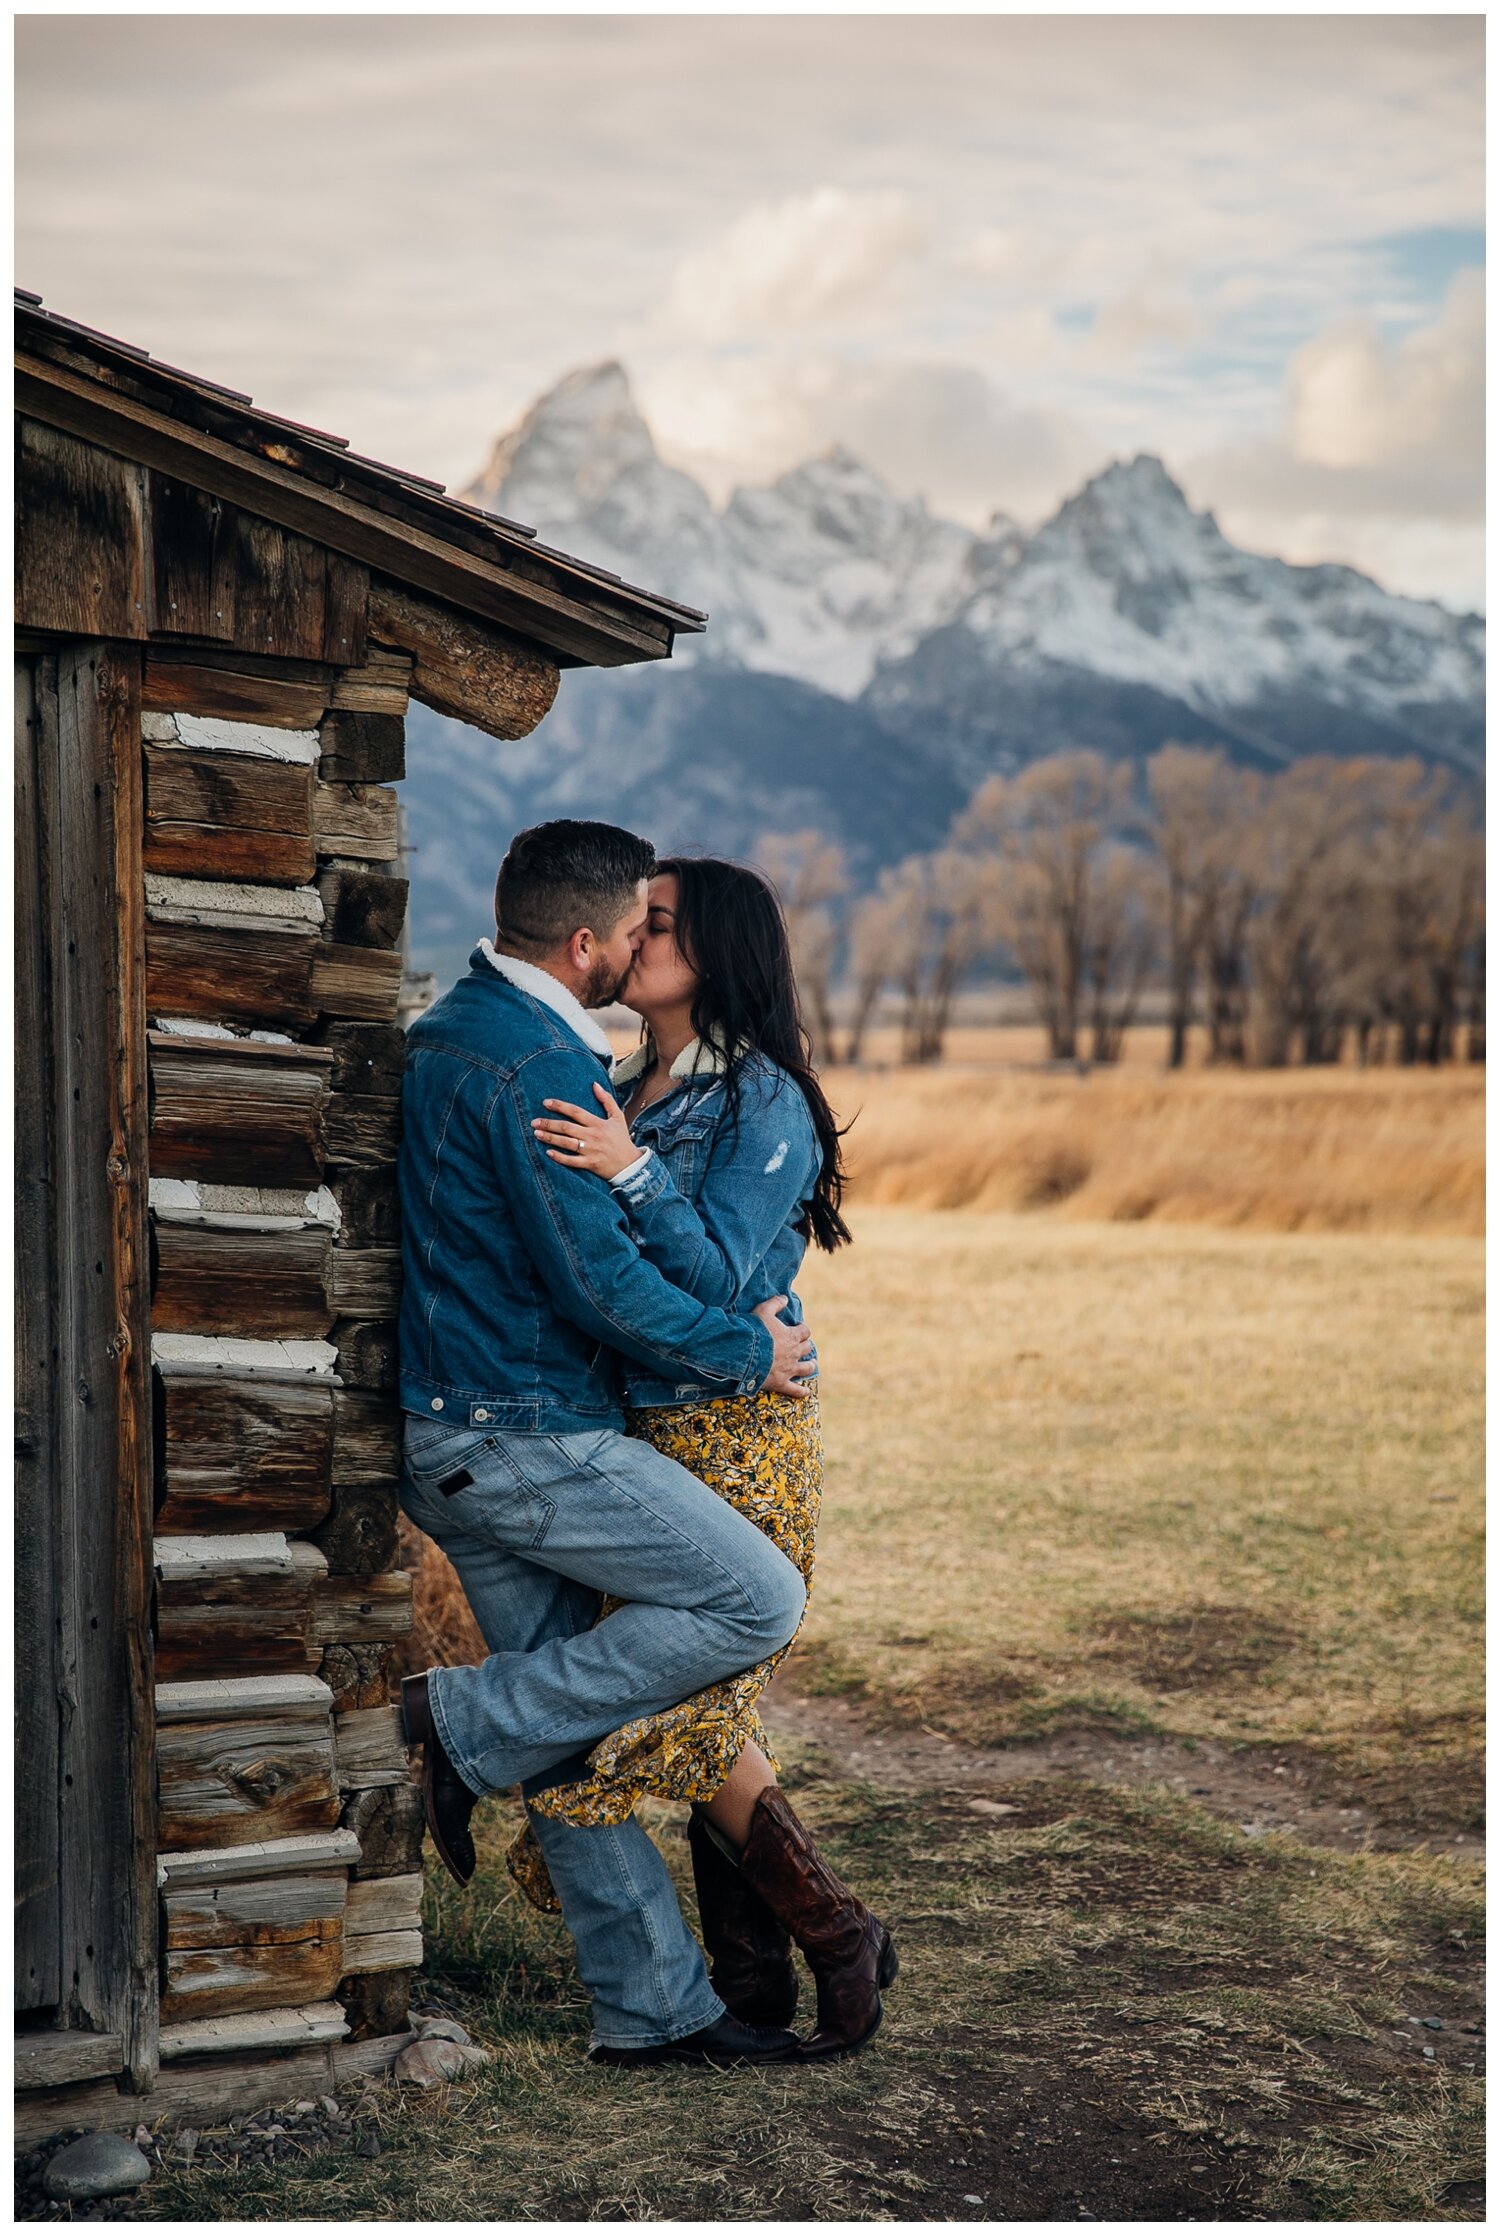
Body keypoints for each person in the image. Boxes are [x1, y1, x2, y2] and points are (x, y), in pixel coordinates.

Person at [397, 819, 817, 2069]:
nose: (645, 944)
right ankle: (447, 1722)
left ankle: (656, 2010)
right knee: (757, 1593)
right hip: (523, 1433)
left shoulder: (456, 1030)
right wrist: (756, 1354)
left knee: (566, 1729)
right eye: (640, 924)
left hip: (462, 1428)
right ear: (587, 942)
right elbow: (603, 1289)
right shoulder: (539, 1068)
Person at [521, 855, 897, 2058]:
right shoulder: (629, 1076)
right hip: (641, 1430)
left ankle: (832, 1939)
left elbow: (728, 1288)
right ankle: (765, 1976)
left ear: (717, 949)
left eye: (662, 922)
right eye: (637, 919)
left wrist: (629, 1167)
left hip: (735, 1429)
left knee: (690, 1699)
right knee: (702, 1703)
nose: (637, 935)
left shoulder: (764, 1100)